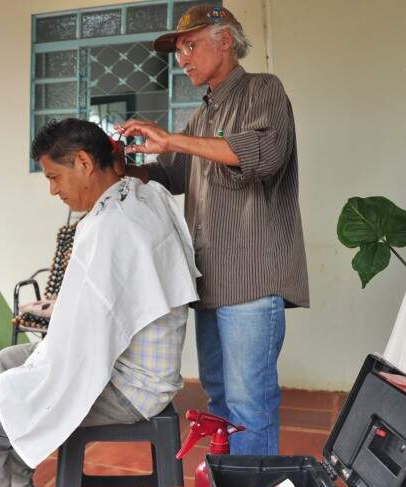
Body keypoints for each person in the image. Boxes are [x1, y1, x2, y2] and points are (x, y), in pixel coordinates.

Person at [0, 118, 200, 487]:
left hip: (131, 387)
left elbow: (84, 339)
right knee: (8, 361)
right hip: (145, 370)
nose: (53, 190)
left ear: (83, 161)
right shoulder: (142, 195)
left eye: (54, 176)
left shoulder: (109, 227)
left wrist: (52, 346)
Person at [115, 4, 309, 456]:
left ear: (226, 39)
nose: (182, 56)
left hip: (252, 278)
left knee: (249, 404)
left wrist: (172, 139)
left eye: (191, 44)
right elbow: (171, 174)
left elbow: (262, 153)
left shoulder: (263, 89)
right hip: (211, 278)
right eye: (179, 48)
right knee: (220, 401)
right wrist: (118, 165)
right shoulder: (203, 116)